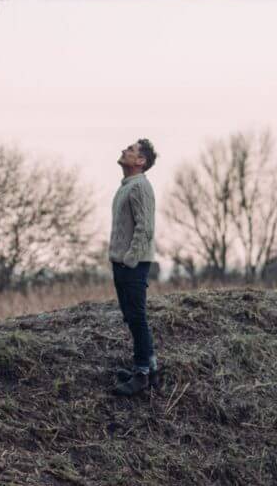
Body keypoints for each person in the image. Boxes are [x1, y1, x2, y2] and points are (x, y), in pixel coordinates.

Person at [109, 137, 158, 396]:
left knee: (137, 317)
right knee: (131, 315)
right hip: (122, 262)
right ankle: (150, 367)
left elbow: (145, 229)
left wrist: (130, 260)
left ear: (141, 161)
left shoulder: (140, 187)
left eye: (130, 150)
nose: (123, 150)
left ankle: (141, 374)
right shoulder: (127, 186)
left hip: (133, 264)